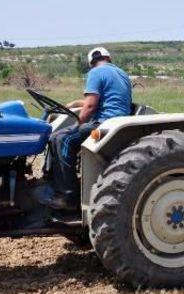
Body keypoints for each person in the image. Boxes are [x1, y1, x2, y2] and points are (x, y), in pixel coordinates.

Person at [46, 47, 132, 210]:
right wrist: (73, 104)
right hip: (118, 121)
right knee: (62, 136)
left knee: (61, 139)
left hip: (104, 123)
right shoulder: (121, 74)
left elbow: (91, 105)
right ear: (108, 58)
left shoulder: (95, 73)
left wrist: (76, 125)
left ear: (91, 63)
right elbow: (102, 98)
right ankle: (56, 182)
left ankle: (68, 196)